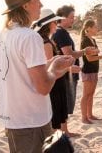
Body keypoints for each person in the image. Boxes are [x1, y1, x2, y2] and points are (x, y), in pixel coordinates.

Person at [0, 0, 75, 153]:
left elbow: (20, 70)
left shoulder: (6, 33)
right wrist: (54, 69)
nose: (41, 4)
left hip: (14, 119)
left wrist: (51, 62)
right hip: (31, 120)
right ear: (25, 5)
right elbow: (44, 87)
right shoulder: (29, 37)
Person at [31, 9, 81, 137]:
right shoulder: (46, 43)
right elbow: (49, 67)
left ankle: (63, 135)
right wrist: (69, 68)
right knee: (56, 112)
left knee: (59, 111)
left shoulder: (45, 40)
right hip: (55, 81)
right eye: (55, 22)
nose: (57, 24)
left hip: (57, 79)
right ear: (49, 24)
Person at [52, 5, 97, 134]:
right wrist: (84, 51)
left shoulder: (60, 32)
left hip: (65, 72)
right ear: (63, 18)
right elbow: (69, 53)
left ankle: (64, 130)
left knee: (64, 103)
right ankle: (64, 131)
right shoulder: (61, 33)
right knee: (64, 103)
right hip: (65, 73)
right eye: (72, 17)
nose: (74, 20)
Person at [80, 19, 102, 123]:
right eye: (95, 27)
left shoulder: (93, 40)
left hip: (94, 70)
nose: (97, 28)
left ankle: (90, 114)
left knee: (91, 93)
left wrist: (96, 52)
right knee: (86, 94)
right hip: (88, 70)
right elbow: (90, 58)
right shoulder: (85, 41)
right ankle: (84, 118)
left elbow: (94, 54)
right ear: (88, 28)